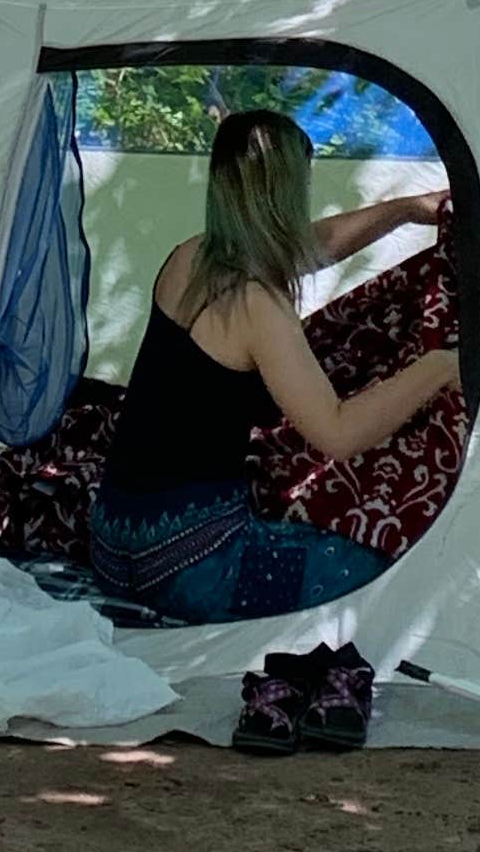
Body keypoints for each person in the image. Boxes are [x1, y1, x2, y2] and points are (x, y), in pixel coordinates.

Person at [87, 105, 460, 623]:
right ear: (287, 192)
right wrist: (440, 367)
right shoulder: (257, 302)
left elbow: (311, 245)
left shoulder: (188, 257)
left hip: (111, 542)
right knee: (388, 563)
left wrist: (406, 210)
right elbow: (338, 433)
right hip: (188, 565)